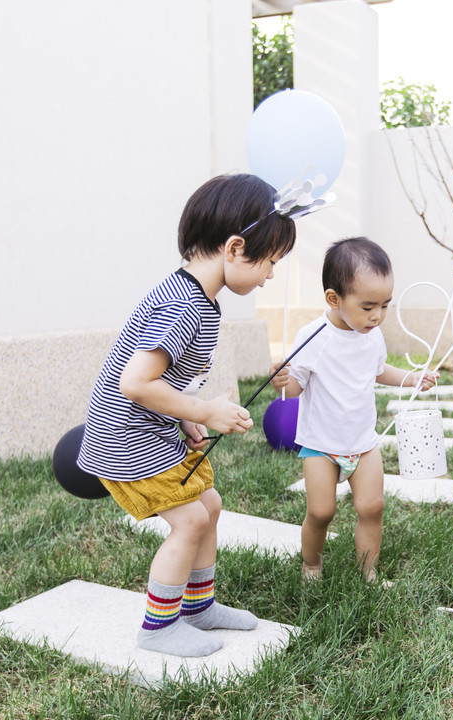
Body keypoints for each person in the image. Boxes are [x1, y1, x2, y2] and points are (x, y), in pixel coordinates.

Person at [77, 174, 296, 656]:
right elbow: (134, 383)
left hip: (147, 430)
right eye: (271, 262)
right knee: (190, 521)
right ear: (236, 248)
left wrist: (184, 418)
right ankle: (158, 627)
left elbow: (160, 384)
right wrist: (204, 408)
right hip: (125, 441)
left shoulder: (199, 298)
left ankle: (198, 606)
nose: (270, 276)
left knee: (209, 505)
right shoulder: (183, 308)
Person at [270, 237, 437, 585]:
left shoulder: (371, 334)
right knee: (320, 511)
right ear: (334, 299)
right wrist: (282, 380)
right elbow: (295, 389)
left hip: (363, 443)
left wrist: (411, 378)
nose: (377, 316)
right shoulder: (312, 336)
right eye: (368, 306)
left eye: (385, 306)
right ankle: (311, 563)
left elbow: (379, 371)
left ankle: (369, 572)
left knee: (372, 507)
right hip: (321, 444)